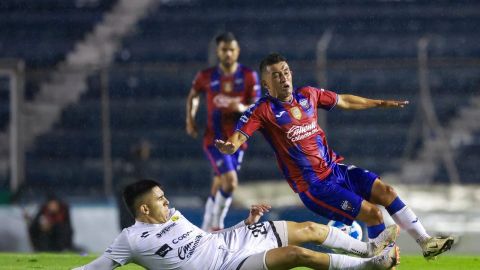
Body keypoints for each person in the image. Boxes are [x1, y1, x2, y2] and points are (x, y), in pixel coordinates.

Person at [215, 53, 454, 260]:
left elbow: (345, 100)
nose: (284, 77)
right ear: (266, 84)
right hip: (314, 186)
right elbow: (238, 136)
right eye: (276, 75)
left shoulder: (308, 95)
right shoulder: (262, 110)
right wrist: (230, 147)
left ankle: (426, 243)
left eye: (286, 71)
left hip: (335, 170)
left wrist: (379, 103)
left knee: (387, 192)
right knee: (373, 214)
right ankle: (378, 259)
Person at [74, 179, 399, 270]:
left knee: (310, 229)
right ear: (143, 208)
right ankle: (370, 266)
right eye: (160, 198)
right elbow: (96, 267)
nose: (166, 201)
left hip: (235, 240)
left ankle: (369, 247)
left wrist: (246, 223)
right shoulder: (132, 239)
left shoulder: (174, 215)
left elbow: (205, 238)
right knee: (296, 254)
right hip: (230, 265)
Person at [186, 32, 261, 231]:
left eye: (231, 49)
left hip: (238, 139)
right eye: (224, 50)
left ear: (238, 51)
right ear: (218, 52)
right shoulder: (207, 76)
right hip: (214, 138)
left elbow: (257, 106)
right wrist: (190, 118)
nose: (228, 53)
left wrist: (241, 108)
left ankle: (204, 226)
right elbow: (194, 95)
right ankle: (216, 224)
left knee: (219, 181)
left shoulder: (248, 76)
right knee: (230, 182)